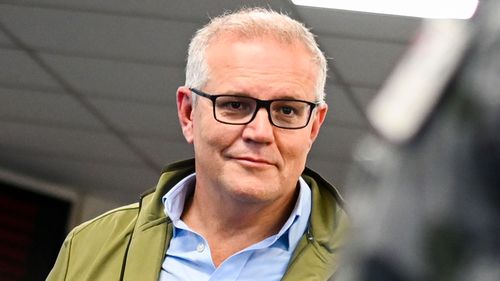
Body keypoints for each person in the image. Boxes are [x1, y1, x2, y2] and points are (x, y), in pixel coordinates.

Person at [46, 7, 349, 281]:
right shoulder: (90, 248)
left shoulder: (371, 265)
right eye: (235, 105)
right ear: (188, 113)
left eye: (286, 110)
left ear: (313, 126)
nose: (260, 132)